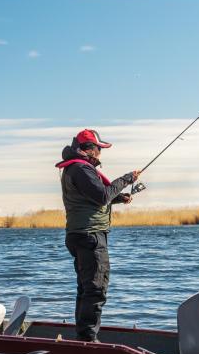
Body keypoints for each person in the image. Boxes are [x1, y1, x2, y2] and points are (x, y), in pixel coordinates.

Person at [55, 129, 140, 342]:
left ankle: (84, 337)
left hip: (80, 234)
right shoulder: (81, 170)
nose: (100, 154)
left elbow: (95, 197)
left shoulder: (74, 169)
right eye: (98, 149)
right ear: (88, 149)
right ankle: (88, 339)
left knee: (86, 288)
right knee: (96, 288)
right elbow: (102, 196)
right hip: (90, 236)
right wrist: (127, 178)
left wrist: (118, 198)